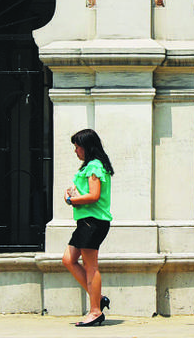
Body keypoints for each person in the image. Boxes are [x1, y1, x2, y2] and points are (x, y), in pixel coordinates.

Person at [61, 128, 114, 327]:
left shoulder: (95, 166)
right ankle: (98, 299)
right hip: (86, 222)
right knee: (69, 260)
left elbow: (94, 196)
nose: (76, 151)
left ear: (87, 147)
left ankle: (95, 311)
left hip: (93, 221)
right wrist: (71, 195)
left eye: (77, 147)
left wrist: (72, 199)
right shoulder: (90, 166)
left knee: (91, 267)